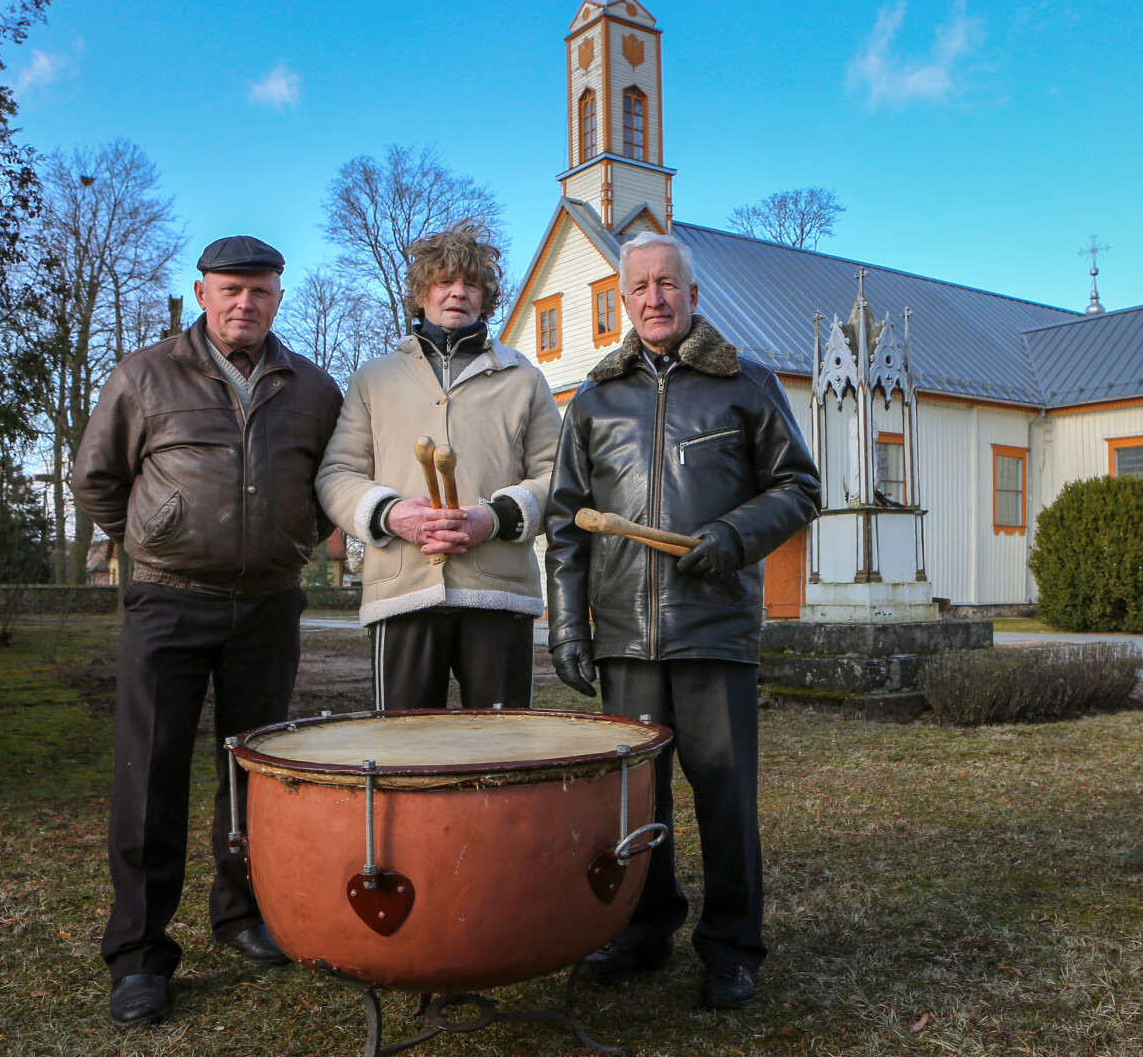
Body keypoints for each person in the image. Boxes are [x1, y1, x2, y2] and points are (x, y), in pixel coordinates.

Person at [72, 236, 344, 1028]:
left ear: (278, 298)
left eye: (259, 291)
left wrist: (291, 543)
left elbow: (331, 483)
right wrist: (154, 536)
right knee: (150, 776)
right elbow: (96, 477)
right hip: (169, 602)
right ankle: (139, 955)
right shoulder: (146, 374)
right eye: (229, 289)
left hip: (268, 605)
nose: (244, 304)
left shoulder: (312, 389)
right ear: (201, 292)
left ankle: (241, 914)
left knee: (253, 772)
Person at [545, 231, 820, 1010]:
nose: (654, 298)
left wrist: (733, 537)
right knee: (636, 800)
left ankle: (732, 947)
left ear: (694, 296)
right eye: (639, 288)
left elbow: (799, 485)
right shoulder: (594, 401)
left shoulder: (746, 384)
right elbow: (567, 525)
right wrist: (570, 625)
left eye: (668, 284)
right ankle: (641, 928)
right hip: (626, 636)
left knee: (724, 795)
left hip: (715, 629)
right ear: (624, 302)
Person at [316, 221, 560, 709]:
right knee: (405, 754)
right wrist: (391, 514)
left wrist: (494, 518)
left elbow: (559, 473)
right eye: (444, 281)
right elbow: (336, 474)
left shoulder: (524, 379)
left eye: (471, 283)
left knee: (500, 749)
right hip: (402, 590)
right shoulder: (374, 378)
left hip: (499, 593)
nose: (457, 293)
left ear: (486, 298)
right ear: (421, 293)